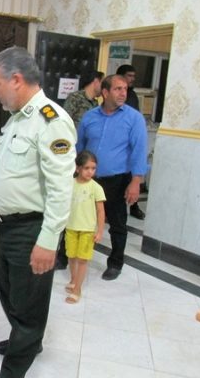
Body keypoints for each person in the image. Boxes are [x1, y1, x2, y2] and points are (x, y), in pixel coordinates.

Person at [0, 46, 76, 378]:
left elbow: (61, 188)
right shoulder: (18, 119)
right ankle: (26, 341)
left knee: (29, 303)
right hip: (7, 226)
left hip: (31, 229)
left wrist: (48, 241)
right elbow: (10, 170)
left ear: (17, 79)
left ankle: (15, 365)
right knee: (9, 293)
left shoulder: (51, 120)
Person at [77, 74, 148, 281]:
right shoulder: (90, 117)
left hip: (117, 180)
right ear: (105, 92)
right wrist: (75, 171)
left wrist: (136, 181)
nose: (123, 93)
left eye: (125, 89)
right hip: (88, 178)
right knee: (78, 217)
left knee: (117, 223)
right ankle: (66, 257)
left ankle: (115, 263)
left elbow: (139, 151)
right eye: (118, 89)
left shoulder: (134, 118)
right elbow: (79, 146)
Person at [56, 70, 104, 271]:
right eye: (102, 82)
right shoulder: (75, 98)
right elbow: (63, 124)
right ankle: (62, 255)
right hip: (72, 157)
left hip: (87, 158)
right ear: (95, 81)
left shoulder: (97, 105)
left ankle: (77, 252)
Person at [64, 150, 106, 304]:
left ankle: (77, 289)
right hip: (71, 227)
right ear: (77, 168)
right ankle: (73, 279)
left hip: (87, 230)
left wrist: (99, 231)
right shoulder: (70, 184)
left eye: (93, 168)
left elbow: (100, 211)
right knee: (71, 255)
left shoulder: (96, 188)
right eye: (87, 168)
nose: (90, 172)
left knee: (82, 259)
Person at [116, 64, 146, 220]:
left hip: (129, 146)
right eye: (129, 76)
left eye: (134, 76)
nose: (132, 79)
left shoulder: (132, 95)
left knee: (131, 181)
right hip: (116, 147)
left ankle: (134, 206)